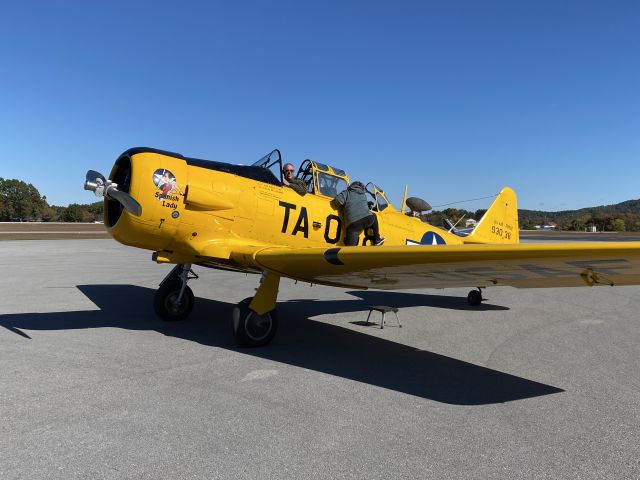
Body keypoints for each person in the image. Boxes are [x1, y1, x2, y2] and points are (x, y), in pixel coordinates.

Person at [333, 181, 385, 246]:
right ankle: (377, 239)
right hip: (367, 219)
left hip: (353, 224)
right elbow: (362, 206)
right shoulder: (363, 195)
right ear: (361, 188)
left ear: (351, 186)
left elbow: (337, 202)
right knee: (374, 215)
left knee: (349, 248)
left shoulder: (347, 193)